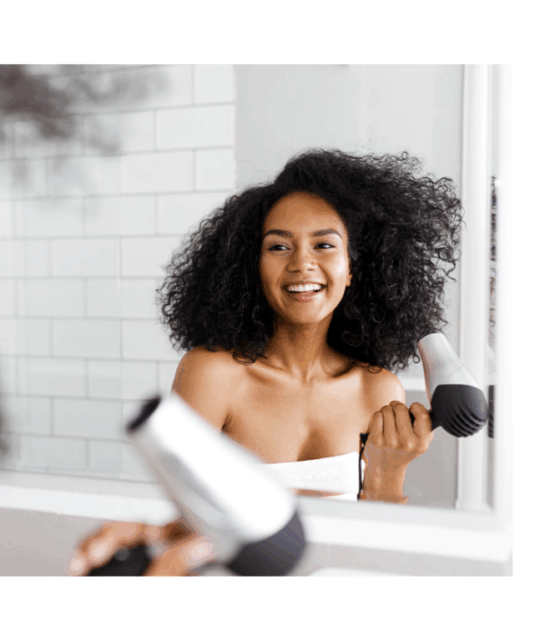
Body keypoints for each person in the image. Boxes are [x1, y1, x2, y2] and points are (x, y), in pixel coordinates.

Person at [71, 149, 463, 575]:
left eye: (324, 244)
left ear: (352, 268)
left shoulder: (378, 388)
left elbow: (377, 550)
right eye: (278, 246)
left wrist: (388, 474)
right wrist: (147, 536)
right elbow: (192, 516)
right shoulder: (214, 374)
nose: (301, 264)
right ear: (253, 265)